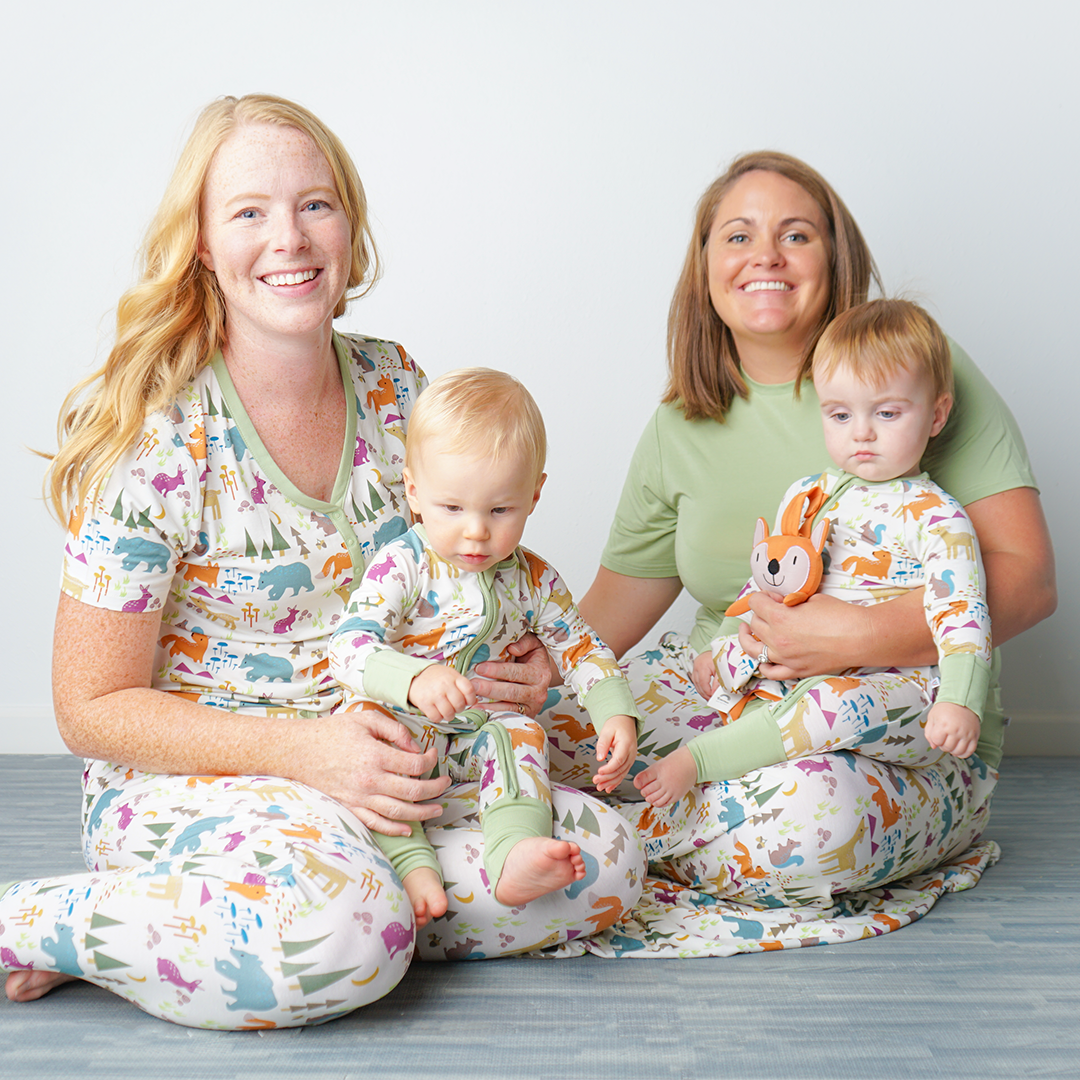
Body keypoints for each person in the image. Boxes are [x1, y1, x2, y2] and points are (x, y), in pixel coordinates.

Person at [0, 94, 644, 1028]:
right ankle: (50, 918)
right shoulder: (162, 435)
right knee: (349, 931)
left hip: (396, 765)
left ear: (350, 225)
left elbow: (460, 574)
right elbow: (88, 708)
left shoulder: (397, 386)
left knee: (601, 863)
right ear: (203, 245)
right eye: (250, 211)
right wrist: (307, 755)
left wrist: (509, 667)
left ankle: (237, 928)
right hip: (212, 779)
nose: (290, 239)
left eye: (316, 204)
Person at [538, 151, 1056, 954]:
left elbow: (1027, 582)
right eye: (737, 235)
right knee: (540, 732)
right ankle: (656, 818)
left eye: (797, 234)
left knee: (815, 820)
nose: (766, 256)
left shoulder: (908, 371)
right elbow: (615, 606)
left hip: (896, 724)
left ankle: (613, 841)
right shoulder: (681, 423)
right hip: (731, 681)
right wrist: (542, 673)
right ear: (704, 267)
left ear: (836, 258)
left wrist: (853, 634)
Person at [636, 298, 989, 808]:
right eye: (840, 414)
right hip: (796, 675)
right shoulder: (810, 495)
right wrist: (726, 637)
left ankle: (701, 762)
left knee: (833, 704)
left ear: (936, 414)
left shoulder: (938, 516)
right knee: (729, 677)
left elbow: (963, 616)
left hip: (895, 690)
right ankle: (733, 763)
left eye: (887, 412)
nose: (861, 432)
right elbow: (768, 578)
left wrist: (959, 701)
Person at [329, 368, 639, 925]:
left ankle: (514, 848)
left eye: (500, 511)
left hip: (477, 732)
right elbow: (349, 647)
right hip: (405, 723)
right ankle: (410, 860)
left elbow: (580, 646)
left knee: (522, 732)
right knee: (366, 735)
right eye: (453, 508)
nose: (476, 531)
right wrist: (412, 679)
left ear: (534, 494)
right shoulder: (404, 564)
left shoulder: (533, 579)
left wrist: (613, 709)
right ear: (415, 492)